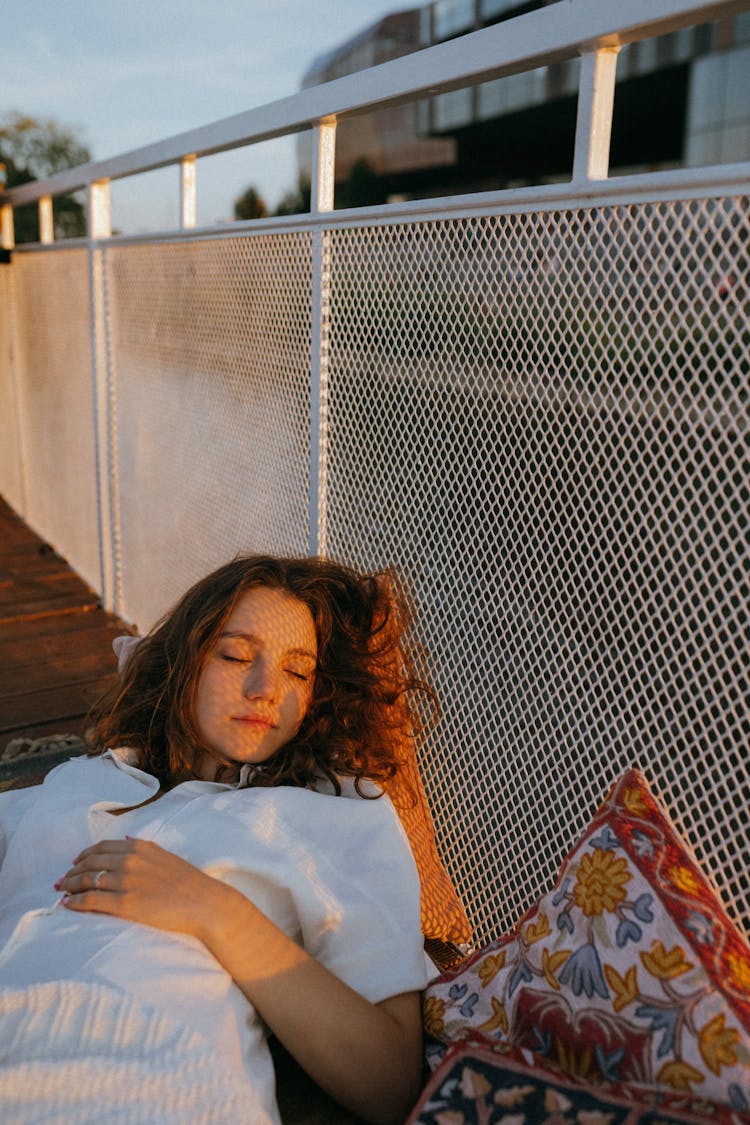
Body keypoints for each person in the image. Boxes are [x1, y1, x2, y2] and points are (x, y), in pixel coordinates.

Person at [0, 555, 437, 1125]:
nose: (265, 690)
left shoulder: (334, 813)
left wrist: (214, 911)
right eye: (235, 655)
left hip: (140, 1071)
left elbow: (390, 1083)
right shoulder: (85, 779)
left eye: (297, 673)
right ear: (185, 661)